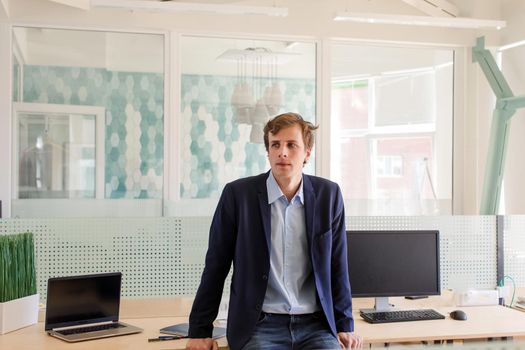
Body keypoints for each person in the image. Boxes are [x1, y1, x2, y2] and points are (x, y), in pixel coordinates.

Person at [186, 112, 362, 350]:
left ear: (307, 152)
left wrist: (345, 324)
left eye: (291, 145)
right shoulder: (238, 196)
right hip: (260, 325)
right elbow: (216, 266)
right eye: (275, 144)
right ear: (267, 151)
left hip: (316, 325)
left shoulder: (328, 196)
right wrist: (199, 330)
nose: (283, 152)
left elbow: (337, 266)